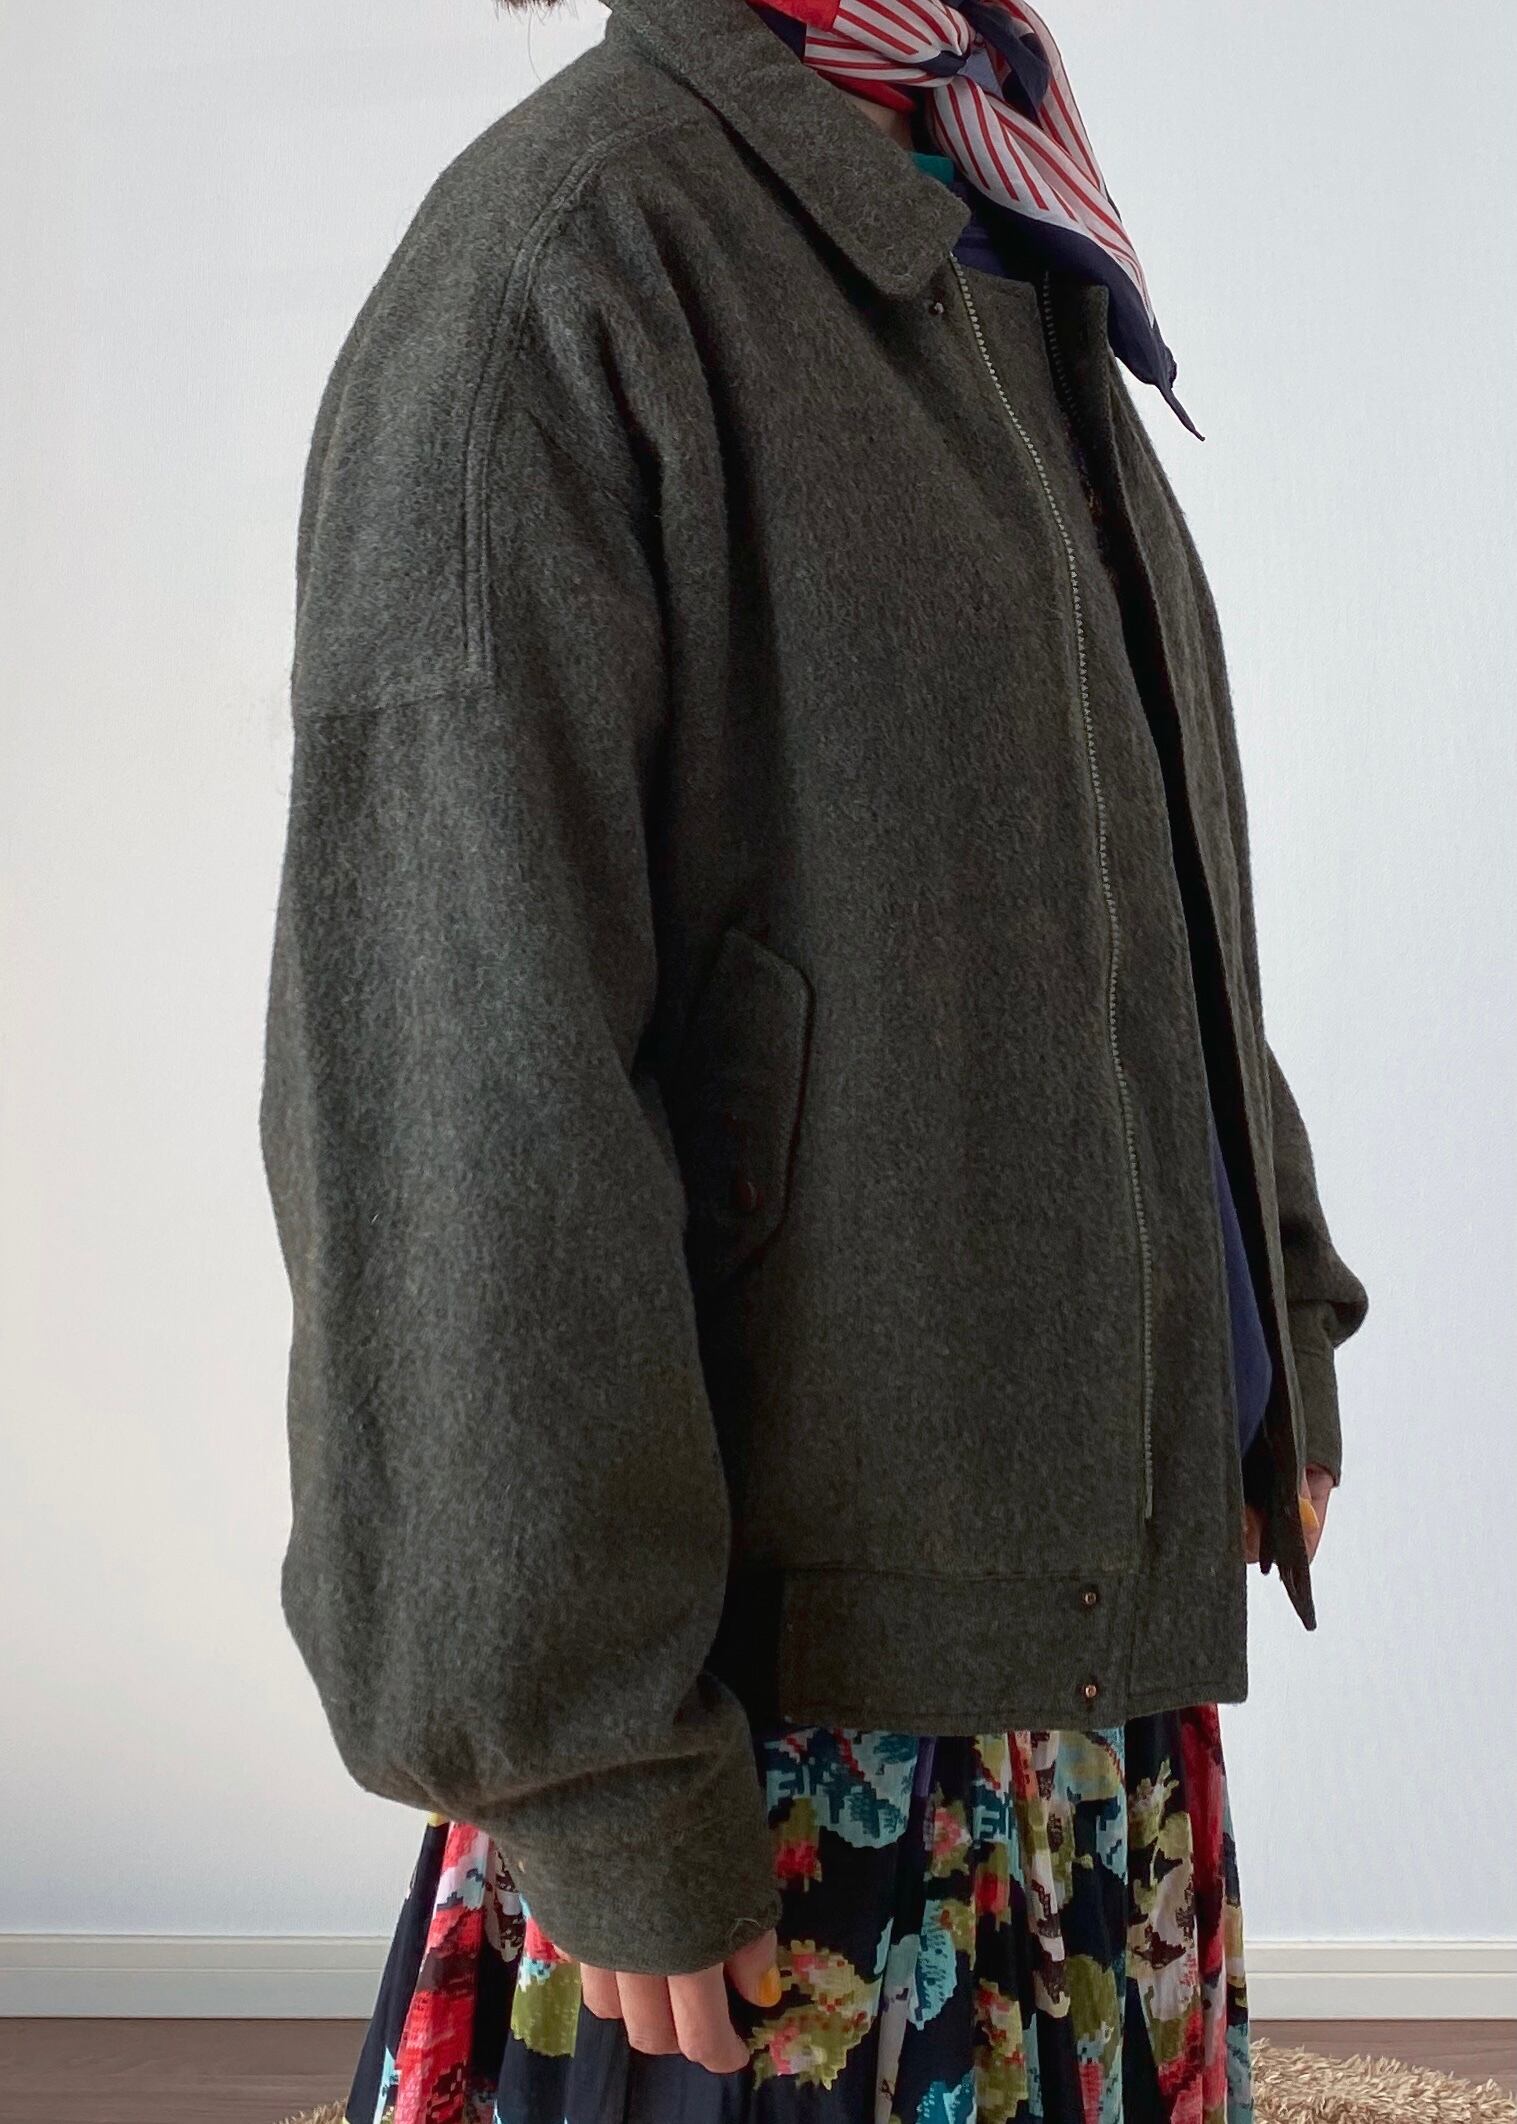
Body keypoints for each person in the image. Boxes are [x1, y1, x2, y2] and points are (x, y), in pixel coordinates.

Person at [257, 0, 1369, 2114]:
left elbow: (1123, 876)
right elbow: (452, 1102)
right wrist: (591, 1770)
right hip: (772, 1772)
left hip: (1066, 1686)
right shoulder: (568, 262)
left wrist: (1266, 1327)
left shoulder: (985, 200)